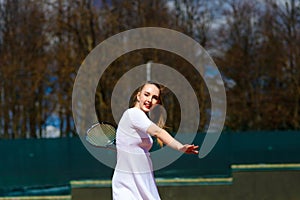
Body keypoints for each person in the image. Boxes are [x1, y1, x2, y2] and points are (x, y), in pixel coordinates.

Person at [112, 81, 199, 200]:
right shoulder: (132, 114)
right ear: (138, 96)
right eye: (146, 94)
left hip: (144, 183)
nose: (149, 100)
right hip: (128, 186)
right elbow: (158, 132)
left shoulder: (141, 120)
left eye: (154, 98)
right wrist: (180, 147)